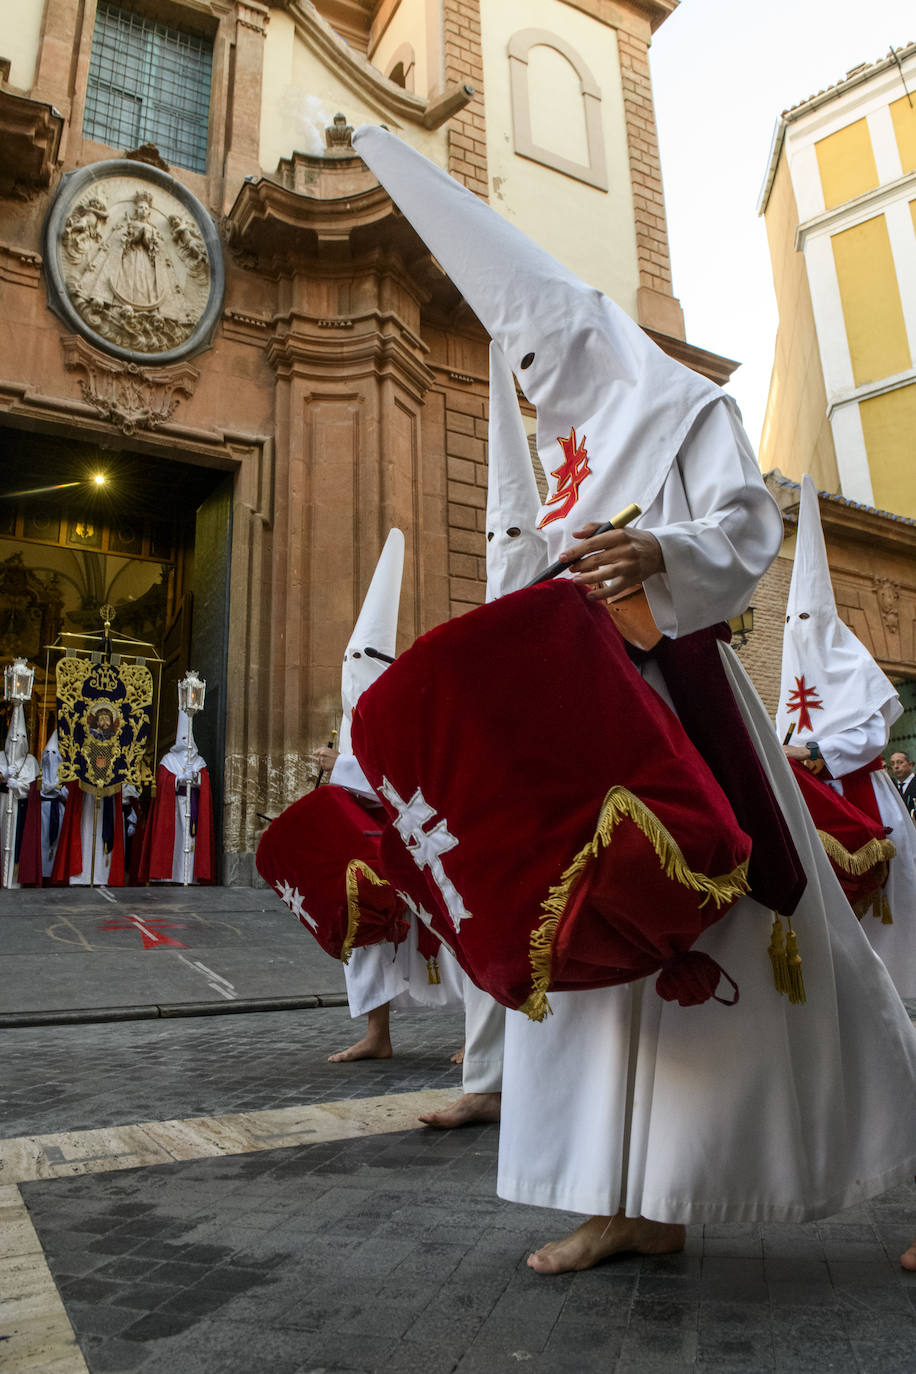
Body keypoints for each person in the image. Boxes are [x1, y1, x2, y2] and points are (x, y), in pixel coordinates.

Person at [351, 124, 916, 1276]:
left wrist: (655, 551)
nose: (537, 381)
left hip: (681, 710)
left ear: (589, 333)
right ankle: (631, 1204)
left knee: (763, 949)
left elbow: (744, 529)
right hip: (580, 729)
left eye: (545, 355)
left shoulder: (683, 411)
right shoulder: (568, 448)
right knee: (588, 957)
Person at [319, 529, 464, 1063]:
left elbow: (405, 773)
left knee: (452, 938)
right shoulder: (350, 718)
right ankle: (377, 1035)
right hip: (367, 847)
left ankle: (479, 1037)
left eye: (361, 661)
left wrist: (342, 766)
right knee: (367, 938)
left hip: (420, 847)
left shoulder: (403, 708)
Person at [778, 476, 916, 999]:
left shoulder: (854, 664)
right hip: (813, 804)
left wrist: (816, 753)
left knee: (890, 909)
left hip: (865, 796)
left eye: (807, 618)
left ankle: (894, 989)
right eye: (793, 620)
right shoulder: (793, 674)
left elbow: (873, 732)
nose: (800, 627)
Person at [139, 711, 215, 884]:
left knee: (189, 842)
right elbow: (162, 781)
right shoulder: (169, 760)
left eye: (187, 739)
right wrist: (179, 779)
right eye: (182, 738)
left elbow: (204, 784)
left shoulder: (199, 761)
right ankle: (169, 876)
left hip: (192, 806)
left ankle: (189, 877)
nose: (185, 742)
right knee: (174, 843)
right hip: (172, 808)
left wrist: (195, 778)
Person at [0, 703, 39, 888]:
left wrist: (19, 786)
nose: (18, 740)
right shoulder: (1, 757)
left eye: (22, 736)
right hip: (2, 805)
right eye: (14, 736)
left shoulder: (30, 761)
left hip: (20, 808)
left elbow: (32, 788)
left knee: (17, 842)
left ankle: (15, 879)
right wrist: (4, 775)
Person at [39, 729, 67, 879]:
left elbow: (66, 794)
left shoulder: (64, 775)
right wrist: (54, 787)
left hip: (58, 809)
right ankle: (42, 872)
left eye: (54, 754)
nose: (51, 757)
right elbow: (40, 789)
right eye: (48, 753)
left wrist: (58, 789)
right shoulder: (40, 771)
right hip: (43, 809)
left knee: (57, 842)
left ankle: (54, 873)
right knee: (42, 841)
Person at [890, 752, 916, 819]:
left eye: (900, 762)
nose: (896, 766)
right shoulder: (891, 787)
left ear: (910, 764)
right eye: (892, 764)